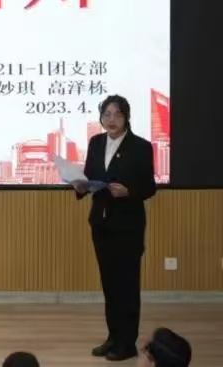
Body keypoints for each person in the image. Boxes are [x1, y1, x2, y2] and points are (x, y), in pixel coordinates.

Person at [74, 95, 156, 362]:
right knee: (109, 284)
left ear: (127, 117)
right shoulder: (96, 142)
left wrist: (129, 192)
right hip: (101, 223)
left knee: (127, 286)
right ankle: (113, 338)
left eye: (117, 114)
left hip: (128, 225)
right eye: (106, 114)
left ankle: (127, 344)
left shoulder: (140, 147)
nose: (111, 120)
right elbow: (89, 176)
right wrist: (81, 186)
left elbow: (149, 187)